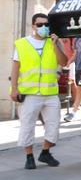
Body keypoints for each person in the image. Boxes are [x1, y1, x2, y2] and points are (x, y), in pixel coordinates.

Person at [10, 13, 68, 170]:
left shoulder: (53, 42)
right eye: (40, 24)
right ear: (33, 26)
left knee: (54, 125)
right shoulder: (22, 44)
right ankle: (29, 157)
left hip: (50, 93)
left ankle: (45, 152)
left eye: (46, 25)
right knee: (27, 126)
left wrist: (56, 44)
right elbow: (16, 68)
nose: (43, 27)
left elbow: (63, 62)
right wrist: (14, 89)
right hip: (30, 93)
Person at [64, 37, 81, 122]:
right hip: (80, 69)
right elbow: (76, 53)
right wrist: (69, 61)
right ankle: (73, 112)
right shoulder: (76, 39)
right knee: (80, 90)